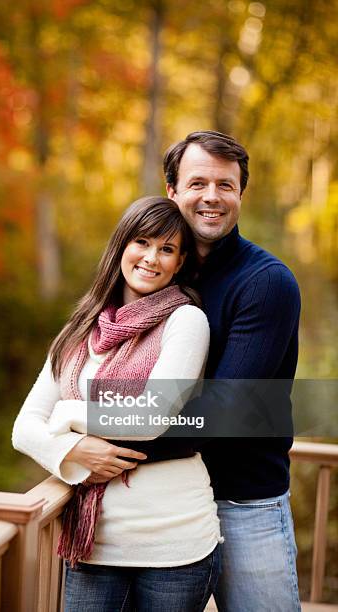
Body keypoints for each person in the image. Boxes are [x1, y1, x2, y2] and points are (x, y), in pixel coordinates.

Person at [12, 196, 223, 612]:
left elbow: (151, 417)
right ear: (122, 245)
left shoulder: (185, 321)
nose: (151, 258)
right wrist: (70, 449)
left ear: (180, 262)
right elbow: (25, 427)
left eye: (167, 249)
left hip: (174, 544)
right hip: (94, 547)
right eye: (142, 242)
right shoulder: (80, 331)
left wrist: (70, 415)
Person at [163, 130, 302, 612]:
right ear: (173, 192)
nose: (211, 197)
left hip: (244, 505)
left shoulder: (266, 283)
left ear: (240, 194)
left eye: (226, 185)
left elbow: (225, 412)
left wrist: (110, 432)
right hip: (165, 499)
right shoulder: (158, 272)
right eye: (198, 182)